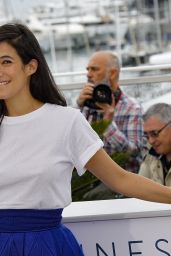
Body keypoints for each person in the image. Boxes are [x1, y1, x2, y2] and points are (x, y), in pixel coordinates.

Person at [1, 23, 171, 256]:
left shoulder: (66, 121)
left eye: (6, 62)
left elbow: (120, 179)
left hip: (44, 246)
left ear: (31, 66)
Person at [76, 50, 145, 174]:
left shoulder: (132, 107)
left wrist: (107, 124)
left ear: (113, 73)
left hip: (119, 179)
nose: (88, 74)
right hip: (88, 180)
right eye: (88, 69)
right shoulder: (86, 104)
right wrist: (78, 107)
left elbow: (133, 153)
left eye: (94, 69)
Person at [139, 103, 171, 186]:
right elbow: (140, 185)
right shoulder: (151, 154)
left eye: (155, 133)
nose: (150, 141)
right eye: (146, 135)